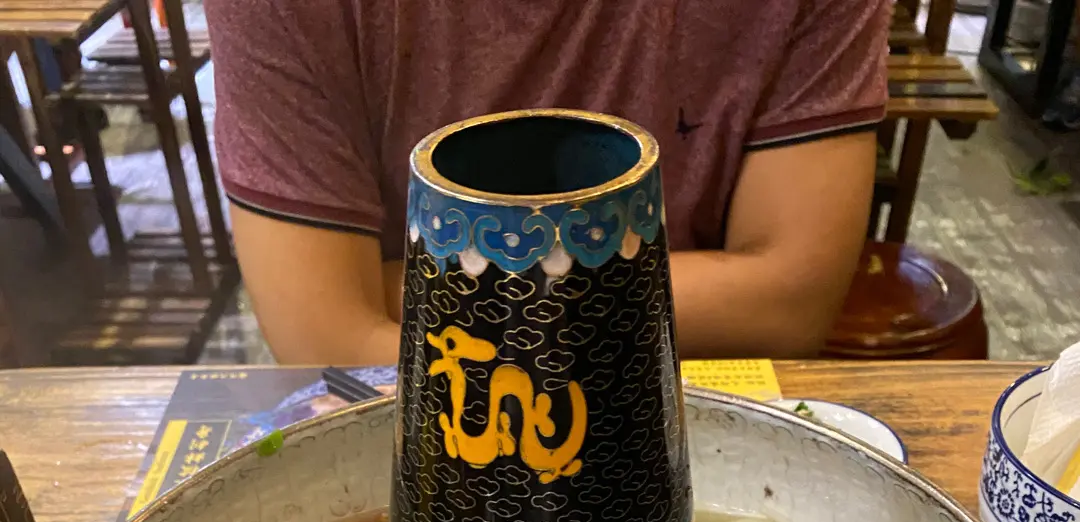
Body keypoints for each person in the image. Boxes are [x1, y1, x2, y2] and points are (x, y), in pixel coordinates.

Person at [205, 0, 890, 364]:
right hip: (414, 446)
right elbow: (324, 339)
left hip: (694, 423)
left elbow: (788, 305)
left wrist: (419, 283)